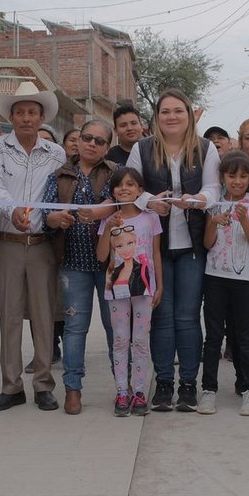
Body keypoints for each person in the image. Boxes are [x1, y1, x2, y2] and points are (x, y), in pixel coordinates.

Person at [126, 88, 219, 412]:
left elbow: (213, 189)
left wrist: (197, 200)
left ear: (189, 115)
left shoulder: (205, 148)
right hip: (157, 248)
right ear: (157, 117)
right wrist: (150, 201)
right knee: (162, 317)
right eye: (165, 111)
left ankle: (189, 384)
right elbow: (130, 189)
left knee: (188, 317)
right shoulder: (142, 148)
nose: (172, 116)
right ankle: (164, 383)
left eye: (178, 110)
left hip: (192, 246)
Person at [0, 81, 68, 411]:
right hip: (7, 241)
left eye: (33, 112)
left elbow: (58, 195)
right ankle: (11, 385)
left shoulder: (56, 153)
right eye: (20, 112)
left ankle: (43, 384)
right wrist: (13, 212)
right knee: (9, 316)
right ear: (11, 117)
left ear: (42, 117)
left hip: (43, 244)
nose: (26, 118)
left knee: (44, 316)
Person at [41, 117, 119, 414]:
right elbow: (45, 213)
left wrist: (103, 212)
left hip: (111, 263)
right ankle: (73, 388)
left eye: (99, 141)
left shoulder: (115, 173)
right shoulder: (59, 174)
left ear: (107, 147)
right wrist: (54, 219)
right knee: (75, 327)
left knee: (115, 327)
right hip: (73, 263)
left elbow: (126, 202)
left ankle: (123, 387)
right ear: (77, 140)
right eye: (87, 138)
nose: (91, 144)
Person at [199, 152, 249, 415]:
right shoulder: (214, 202)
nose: (237, 181)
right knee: (213, 337)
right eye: (231, 175)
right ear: (222, 177)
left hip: (244, 280)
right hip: (214, 278)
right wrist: (214, 223)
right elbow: (207, 243)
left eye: (243, 176)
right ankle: (208, 390)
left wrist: (244, 219)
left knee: (244, 336)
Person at [98, 167, 162, 416]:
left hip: (144, 288)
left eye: (130, 184)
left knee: (141, 341)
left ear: (140, 190)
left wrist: (159, 285)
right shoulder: (109, 219)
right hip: (117, 289)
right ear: (113, 191)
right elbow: (102, 256)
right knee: (121, 339)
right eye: (119, 185)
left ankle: (139, 391)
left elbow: (155, 254)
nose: (124, 189)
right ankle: (122, 391)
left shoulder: (150, 218)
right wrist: (109, 228)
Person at [105, 102, 145, 166]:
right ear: (116, 131)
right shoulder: (109, 157)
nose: (129, 128)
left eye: (134, 123)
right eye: (123, 125)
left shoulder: (154, 152)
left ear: (141, 126)